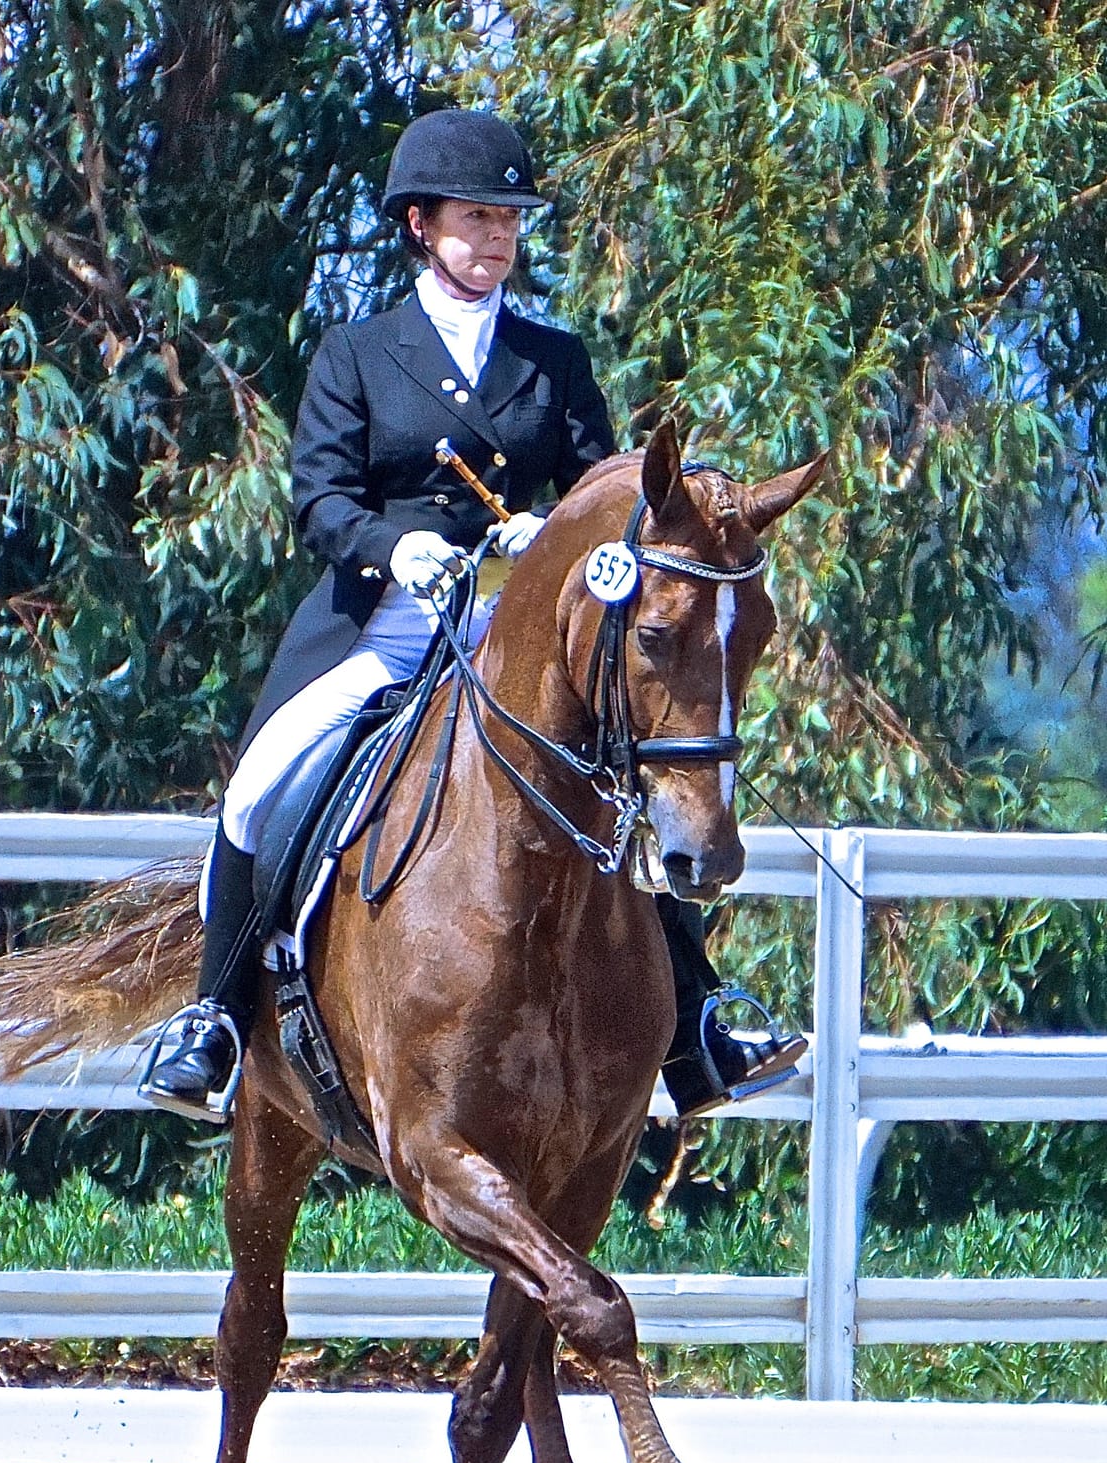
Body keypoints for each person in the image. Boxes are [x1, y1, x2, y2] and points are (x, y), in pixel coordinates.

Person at [144, 109, 804, 1119]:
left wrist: (550, 535)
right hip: (387, 621)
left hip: (518, 625)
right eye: (475, 218)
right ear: (420, 224)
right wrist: (389, 545)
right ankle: (216, 1018)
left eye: (508, 220)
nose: (497, 237)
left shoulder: (553, 358)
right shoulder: (358, 353)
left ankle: (701, 1023)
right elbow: (320, 497)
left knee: (627, 788)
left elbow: (612, 499)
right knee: (258, 788)